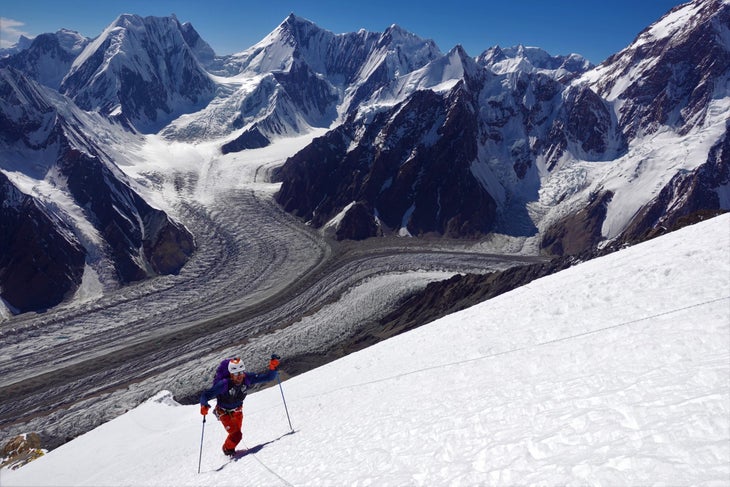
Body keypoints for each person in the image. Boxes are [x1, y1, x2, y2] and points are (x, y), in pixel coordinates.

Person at [200, 354, 281, 456]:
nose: (239, 376)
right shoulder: (224, 384)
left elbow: (268, 377)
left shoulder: (247, 378)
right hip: (223, 412)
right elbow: (206, 394)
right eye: (235, 373)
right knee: (237, 435)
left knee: (236, 433)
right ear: (231, 374)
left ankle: (230, 448)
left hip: (238, 411)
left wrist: (273, 367)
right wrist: (204, 404)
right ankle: (227, 450)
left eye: (241, 372)